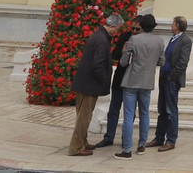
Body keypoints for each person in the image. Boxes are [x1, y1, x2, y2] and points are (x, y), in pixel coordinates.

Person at [69, 13, 124, 157]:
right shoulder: (101, 40)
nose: (117, 31)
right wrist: (104, 78)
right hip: (89, 84)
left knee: (84, 115)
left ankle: (83, 142)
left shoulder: (99, 36)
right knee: (84, 116)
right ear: (111, 26)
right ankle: (76, 147)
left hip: (86, 83)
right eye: (117, 29)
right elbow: (97, 65)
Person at [115, 13, 164, 158]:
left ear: (142, 26)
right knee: (144, 114)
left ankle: (128, 149)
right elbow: (162, 61)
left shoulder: (134, 39)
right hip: (147, 80)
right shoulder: (160, 41)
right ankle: (142, 144)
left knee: (129, 116)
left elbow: (123, 62)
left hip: (131, 79)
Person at [95, 15, 141, 148]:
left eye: (137, 29)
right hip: (120, 78)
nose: (134, 31)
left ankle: (125, 139)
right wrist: (122, 52)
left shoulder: (144, 41)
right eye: (132, 28)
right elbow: (114, 55)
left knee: (130, 112)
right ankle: (109, 137)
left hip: (133, 80)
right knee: (113, 109)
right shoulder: (125, 36)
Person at [150, 15, 193, 152]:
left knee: (171, 110)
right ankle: (159, 137)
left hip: (171, 79)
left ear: (178, 25)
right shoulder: (172, 39)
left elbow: (183, 62)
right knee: (162, 109)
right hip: (164, 77)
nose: (171, 25)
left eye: (173, 23)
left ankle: (171, 139)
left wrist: (172, 76)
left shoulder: (185, 40)